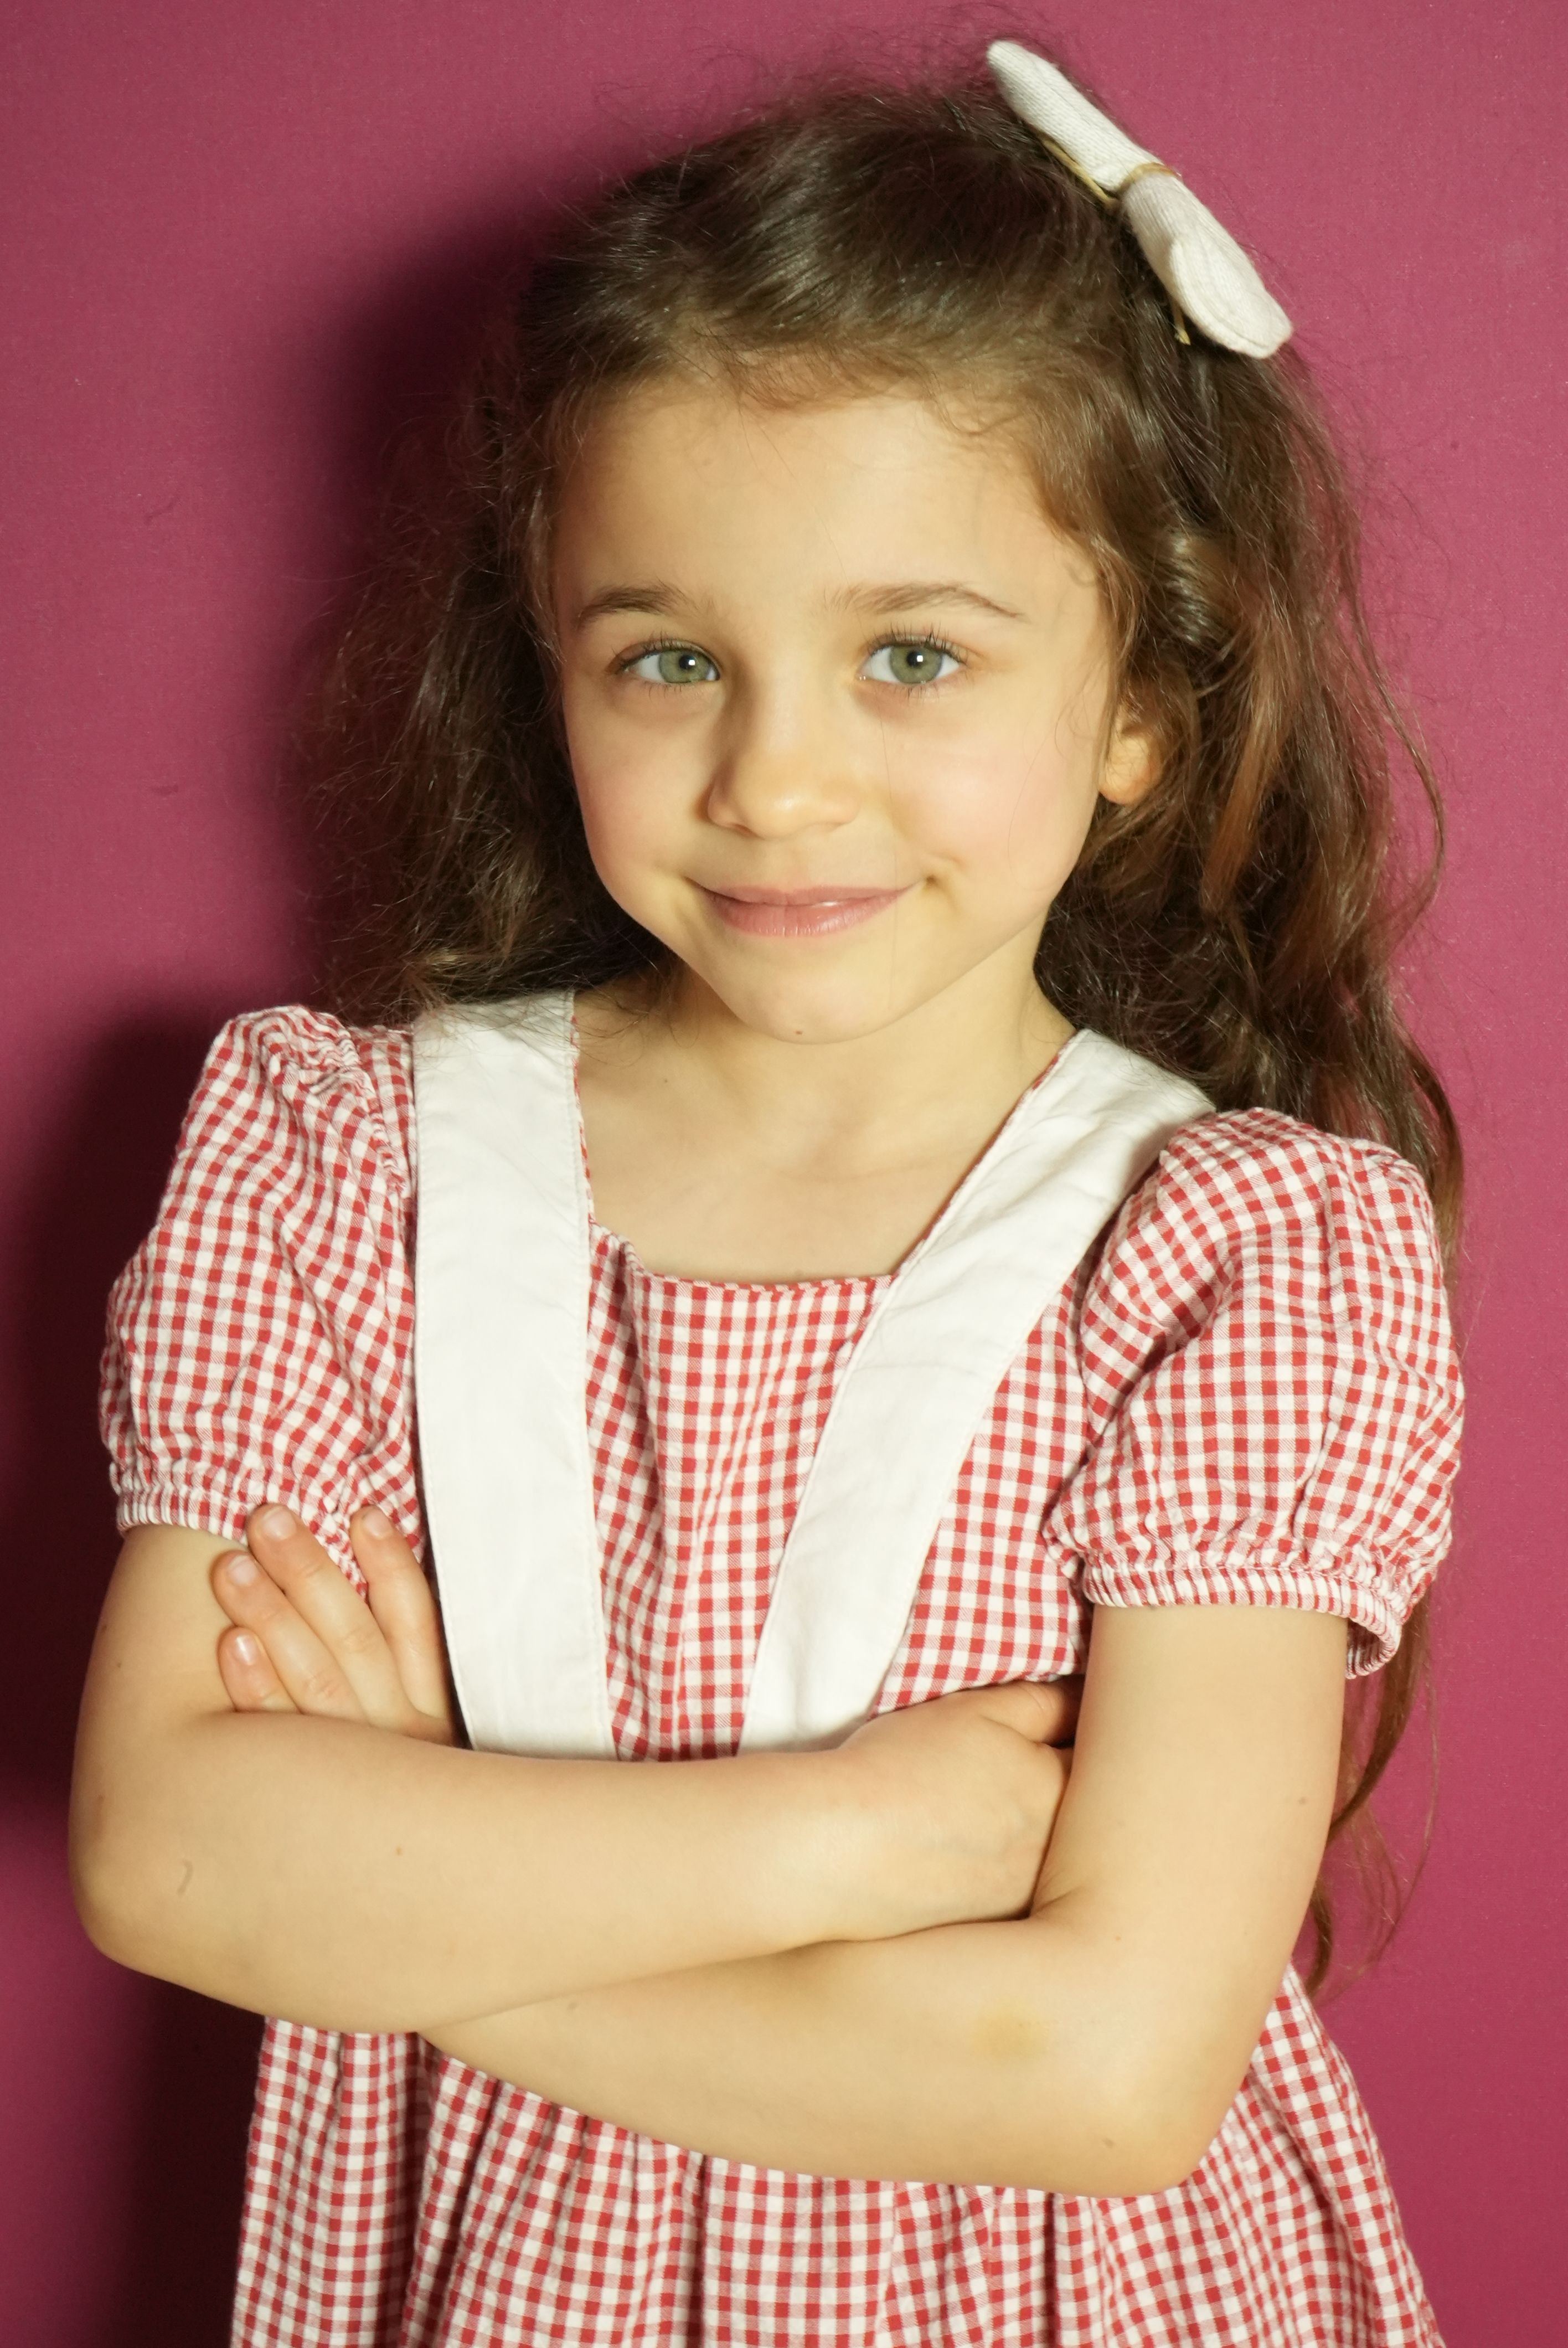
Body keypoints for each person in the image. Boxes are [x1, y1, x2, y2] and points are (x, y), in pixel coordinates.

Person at [70, 39, 1464, 2348]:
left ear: (1141, 703)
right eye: (671, 659)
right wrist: (851, 1839)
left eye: (913, 656)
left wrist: (411, 1888)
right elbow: (167, 1852)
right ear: (550, 659)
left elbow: (1102, 2072)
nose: (778, 778)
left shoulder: (1242, 1248)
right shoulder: (338, 1160)